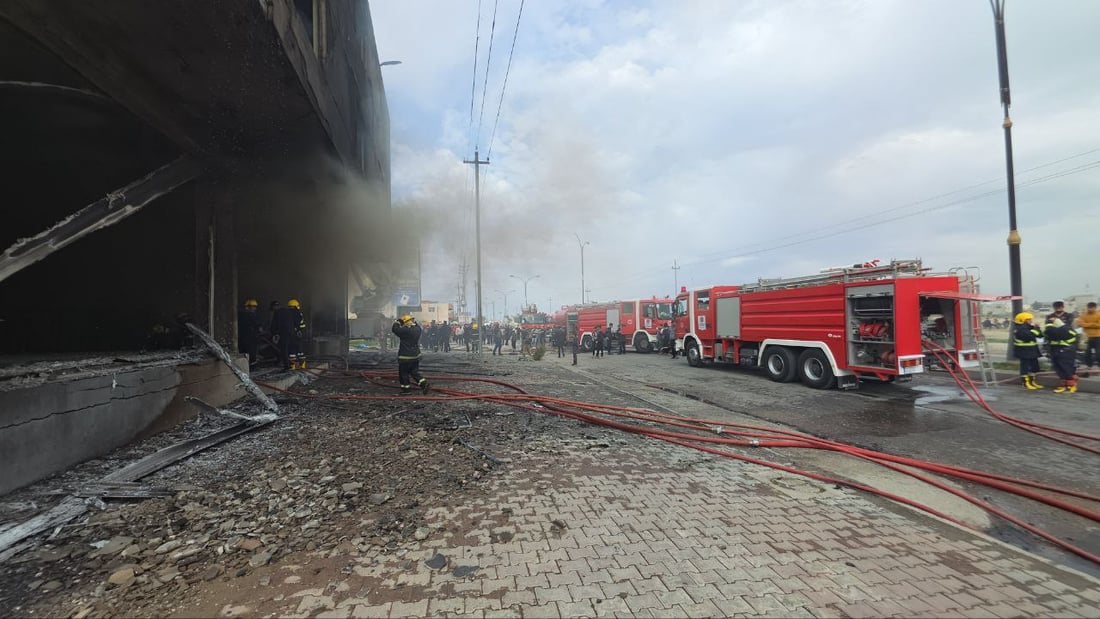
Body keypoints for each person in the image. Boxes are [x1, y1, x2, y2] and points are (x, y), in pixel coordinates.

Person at [392, 314, 430, 395]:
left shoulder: (405, 330)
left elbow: (395, 329)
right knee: (414, 372)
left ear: (405, 322)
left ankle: (406, 390)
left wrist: (397, 322)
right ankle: (424, 384)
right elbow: (415, 324)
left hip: (405, 357)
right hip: (415, 356)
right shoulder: (418, 329)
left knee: (404, 373)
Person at [1044, 316, 1079, 394]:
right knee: (1060, 369)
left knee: (1066, 368)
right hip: (1058, 351)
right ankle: (1064, 384)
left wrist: (1049, 323)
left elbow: (1049, 332)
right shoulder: (1066, 329)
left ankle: (1071, 385)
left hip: (1065, 351)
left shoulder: (1063, 330)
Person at [271, 298, 306, 370]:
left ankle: (292, 365)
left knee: (291, 350)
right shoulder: (298, 313)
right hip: (297, 334)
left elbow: (278, 324)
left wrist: (275, 333)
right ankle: (302, 365)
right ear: (296, 306)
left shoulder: (285, 312)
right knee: (299, 349)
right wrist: (300, 331)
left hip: (289, 334)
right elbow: (301, 324)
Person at [1012, 312, 1043, 390]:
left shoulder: (1029, 327)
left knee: (1034, 367)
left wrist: (1037, 328)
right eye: (1029, 319)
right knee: (1025, 367)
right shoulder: (1019, 329)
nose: (1031, 321)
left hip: (1032, 350)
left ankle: (1032, 381)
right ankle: (1025, 383)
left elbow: (1040, 335)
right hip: (1024, 351)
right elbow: (1029, 336)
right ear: (1023, 320)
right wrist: (1036, 329)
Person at [1075, 301, 1100, 372]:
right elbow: (1080, 323)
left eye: (1092, 308)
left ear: (1095, 308)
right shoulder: (1083, 315)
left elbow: (1099, 325)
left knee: (1098, 352)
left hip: (1098, 336)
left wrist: (1086, 324)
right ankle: (1089, 365)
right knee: (1087, 352)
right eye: (1089, 308)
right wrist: (1093, 324)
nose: (1090, 309)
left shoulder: (1098, 314)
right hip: (1086, 337)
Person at [238, 298, 261, 367]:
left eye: (255, 307)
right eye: (253, 307)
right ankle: (252, 365)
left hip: (242, 336)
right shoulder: (251, 315)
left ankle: (244, 365)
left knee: (243, 351)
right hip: (251, 337)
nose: (254, 308)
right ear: (248, 307)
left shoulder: (240, 314)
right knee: (251, 351)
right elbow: (258, 326)